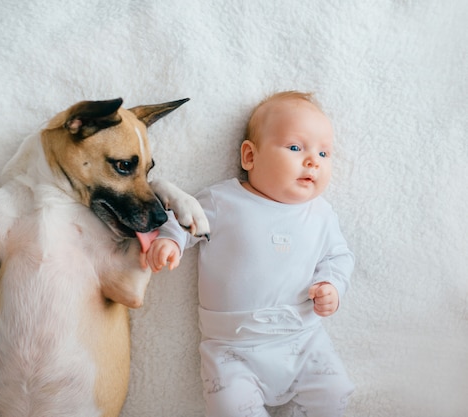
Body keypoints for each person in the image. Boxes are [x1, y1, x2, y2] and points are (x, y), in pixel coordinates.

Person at [141, 91, 355, 417]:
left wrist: (332, 286)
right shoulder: (223, 200)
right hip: (232, 348)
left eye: (324, 153)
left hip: (303, 338)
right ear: (250, 157)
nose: (313, 160)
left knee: (334, 393)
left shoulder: (321, 214)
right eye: (296, 148)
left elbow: (339, 257)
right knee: (231, 407)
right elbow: (187, 219)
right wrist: (170, 242)